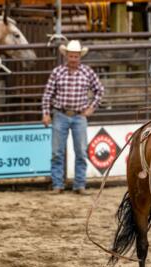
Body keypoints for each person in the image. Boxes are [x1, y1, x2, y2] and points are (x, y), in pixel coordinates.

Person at [42, 40, 104, 194]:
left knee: (81, 152)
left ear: (79, 57)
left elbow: (99, 90)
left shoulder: (87, 72)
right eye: (71, 56)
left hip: (79, 116)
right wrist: (45, 113)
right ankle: (57, 185)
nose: (73, 59)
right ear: (66, 56)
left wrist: (91, 108)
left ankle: (80, 185)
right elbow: (47, 94)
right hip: (60, 114)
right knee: (57, 152)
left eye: (76, 56)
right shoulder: (57, 72)